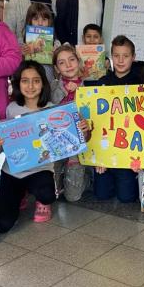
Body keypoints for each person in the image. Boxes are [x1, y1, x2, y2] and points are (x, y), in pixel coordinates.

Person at [0, 61, 57, 232]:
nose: (30, 86)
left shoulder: (51, 109)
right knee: (2, 225)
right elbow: (3, 142)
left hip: (40, 169)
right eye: (25, 81)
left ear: (43, 83)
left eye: (36, 81)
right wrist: (0, 141)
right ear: (17, 83)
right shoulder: (11, 109)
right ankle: (21, 193)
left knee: (47, 194)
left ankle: (41, 200)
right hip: (13, 170)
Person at [93, 35, 143, 202]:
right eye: (116, 55)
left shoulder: (141, 85)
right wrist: (98, 157)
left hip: (128, 153)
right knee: (102, 195)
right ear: (111, 57)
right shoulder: (102, 83)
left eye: (126, 56)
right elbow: (95, 122)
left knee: (126, 198)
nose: (121, 60)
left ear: (133, 57)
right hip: (106, 150)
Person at [50, 44, 91, 201]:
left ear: (78, 61)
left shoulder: (88, 87)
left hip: (78, 144)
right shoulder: (54, 86)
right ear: (56, 67)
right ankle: (60, 178)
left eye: (71, 60)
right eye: (62, 62)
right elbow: (49, 106)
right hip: (57, 141)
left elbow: (93, 116)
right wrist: (65, 90)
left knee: (72, 197)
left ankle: (87, 178)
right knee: (52, 190)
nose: (68, 65)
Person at [21, 3, 57, 84]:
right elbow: (15, 68)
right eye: (36, 19)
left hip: (48, 81)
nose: (40, 23)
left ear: (49, 21)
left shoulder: (56, 43)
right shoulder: (22, 43)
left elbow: (60, 69)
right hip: (29, 84)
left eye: (44, 19)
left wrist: (56, 56)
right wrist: (22, 55)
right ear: (29, 21)